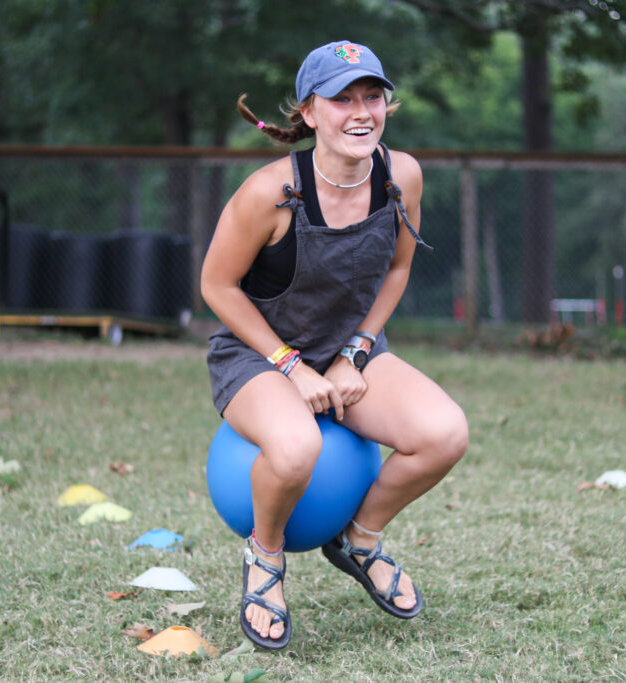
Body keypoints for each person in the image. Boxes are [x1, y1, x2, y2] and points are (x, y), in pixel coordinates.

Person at [200, 40, 469, 650]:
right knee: (296, 450)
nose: (361, 111)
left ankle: (359, 537)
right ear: (309, 112)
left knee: (445, 434)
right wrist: (291, 366)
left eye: (372, 96)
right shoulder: (269, 192)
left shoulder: (401, 176)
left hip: (348, 347)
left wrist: (356, 352)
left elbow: (398, 270)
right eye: (341, 98)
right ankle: (265, 559)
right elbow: (216, 285)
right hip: (257, 355)